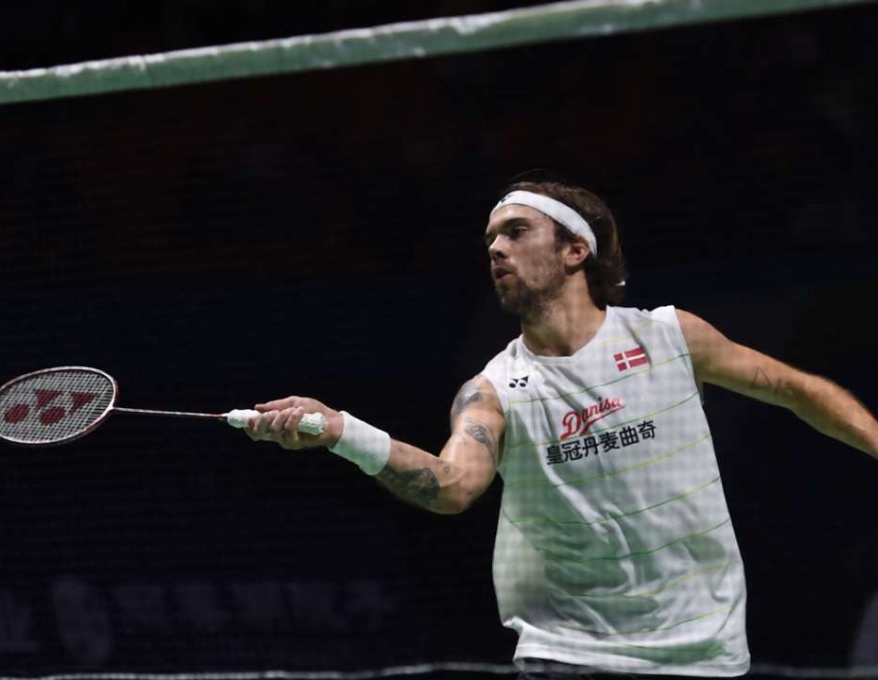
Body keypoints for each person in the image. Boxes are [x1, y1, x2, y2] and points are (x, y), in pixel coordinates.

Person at [241, 177, 878, 679]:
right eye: (491, 238)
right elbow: (453, 484)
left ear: (577, 250)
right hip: (568, 651)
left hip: (701, 645)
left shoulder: (669, 336)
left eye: (516, 232)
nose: (495, 248)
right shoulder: (493, 390)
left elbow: (798, 390)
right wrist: (340, 432)